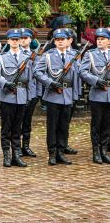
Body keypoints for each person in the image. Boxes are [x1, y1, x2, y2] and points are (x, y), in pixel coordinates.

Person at [34, 29, 80, 166]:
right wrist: (49, 82)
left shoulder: (73, 56)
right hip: (53, 95)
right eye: (57, 39)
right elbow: (37, 71)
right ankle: (52, 154)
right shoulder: (48, 56)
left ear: (68, 41)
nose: (60, 41)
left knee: (64, 126)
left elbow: (77, 77)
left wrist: (75, 95)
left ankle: (61, 152)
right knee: (52, 126)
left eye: (63, 39)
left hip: (68, 95)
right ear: (54, 41)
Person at [0, 29, 32, 167]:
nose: (15, 42)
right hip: (7, 96)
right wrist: (4, 83)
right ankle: (7, 155)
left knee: (17, 128)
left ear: (20, 41)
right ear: (8, 41)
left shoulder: (27, 57)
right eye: (12, 39)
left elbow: (30, 78)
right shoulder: (1, 58)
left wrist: (29, 96)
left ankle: (16, 155)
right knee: (6, 128)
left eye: (17, 39)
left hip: (21, 95)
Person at [79, 28, 110, 164]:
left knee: (107, 125)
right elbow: (83, 72)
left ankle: (104, 150)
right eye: (98, 39)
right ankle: (96, 151)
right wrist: (96, 80)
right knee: (96, 124)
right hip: (97, 93)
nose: (99, 41)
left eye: (102, 39)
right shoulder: (90, 54)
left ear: (108, 41)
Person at [20, 28, 41, 158]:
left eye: (25, 38)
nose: (23, 40)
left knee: (27, 122)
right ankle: (16, 147)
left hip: (31, 93)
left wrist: (38, 94)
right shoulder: (14, 53)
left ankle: (26, 146)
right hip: (18, 92)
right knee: (17, 121)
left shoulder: (35, 56)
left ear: (30, 40)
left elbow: (38, 76)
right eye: (21, 38)